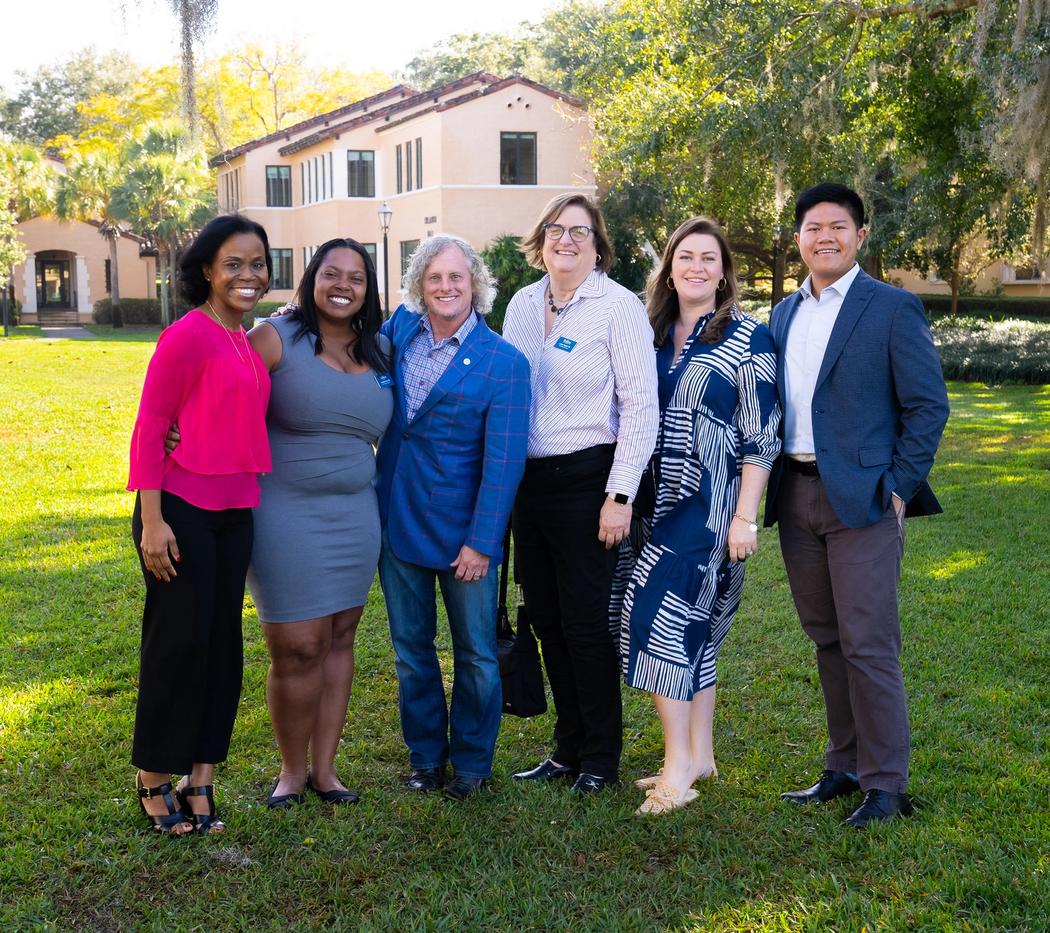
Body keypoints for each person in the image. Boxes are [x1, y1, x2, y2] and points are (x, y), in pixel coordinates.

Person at [766, 183, 949, 829]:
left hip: (865, 501)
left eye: (838, 226)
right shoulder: (782, 315)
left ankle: (886, 784)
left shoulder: (892, 308)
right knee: (826, 638)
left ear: (861, 235)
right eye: (813, 226)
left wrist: (897, 486)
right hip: (796, 494)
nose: (825, 236)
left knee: (869, 642)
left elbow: (929, 406)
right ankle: (843, 764)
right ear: (798, 238)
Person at [615, 217, 781, 814]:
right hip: (651, 501)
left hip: (708, 509)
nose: (697, 267)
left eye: (709, 258)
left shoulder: (747, 336)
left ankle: (677, 765)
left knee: (660, 620)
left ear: (724, 271)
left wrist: (746, 516)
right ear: (669, 266)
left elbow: (762, 436)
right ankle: (702, 754)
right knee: (695, 631)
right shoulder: (651, 332)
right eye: (686, 256)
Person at [503, 193, 659, 794]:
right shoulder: (521, 305)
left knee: (587, 623)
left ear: (598, 245)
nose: (565, 240)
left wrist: (619, 495)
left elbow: (640, 407)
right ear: (540, 239)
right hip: (529, 484)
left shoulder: (617, 307)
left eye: (580, 231)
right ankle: (566, 749)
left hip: (589, 479)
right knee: (544, 616)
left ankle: (601, 757)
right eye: (555, 230)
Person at [127, 214, 273, 835]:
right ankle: (154, 779)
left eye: (258, 264)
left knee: (221, 649)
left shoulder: (248, 337)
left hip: (236, 512)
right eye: (234, 264)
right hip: (179, 513)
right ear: (208, 271)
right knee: (177, 646)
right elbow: (149, 429)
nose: (248, 275)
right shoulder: (187, 336)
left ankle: (202, 777)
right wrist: (152, 523)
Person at [376, 235, 531, 801]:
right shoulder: (396, 337)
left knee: (476, 656)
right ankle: (425, 758)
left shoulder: (504, 363)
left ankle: (471, 761)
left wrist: (482, 542)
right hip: (397, 525)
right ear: (420, 285)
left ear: (476, 286)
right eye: (435, 277)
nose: (445, 287)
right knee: (411, 654)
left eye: (457, 278)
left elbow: (505, 464)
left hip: (466, 537)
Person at [245, 238, 393, 809]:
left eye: (356, 278)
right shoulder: (275, 338)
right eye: (332, 273)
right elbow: (218, 395)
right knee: (297, 645)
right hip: (283, 513)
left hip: (356, 515)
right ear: (311, 279)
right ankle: (290, 771)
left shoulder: (381, 348)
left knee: (339, 637)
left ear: (367, 290)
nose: (343, 285)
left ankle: (326, 771)